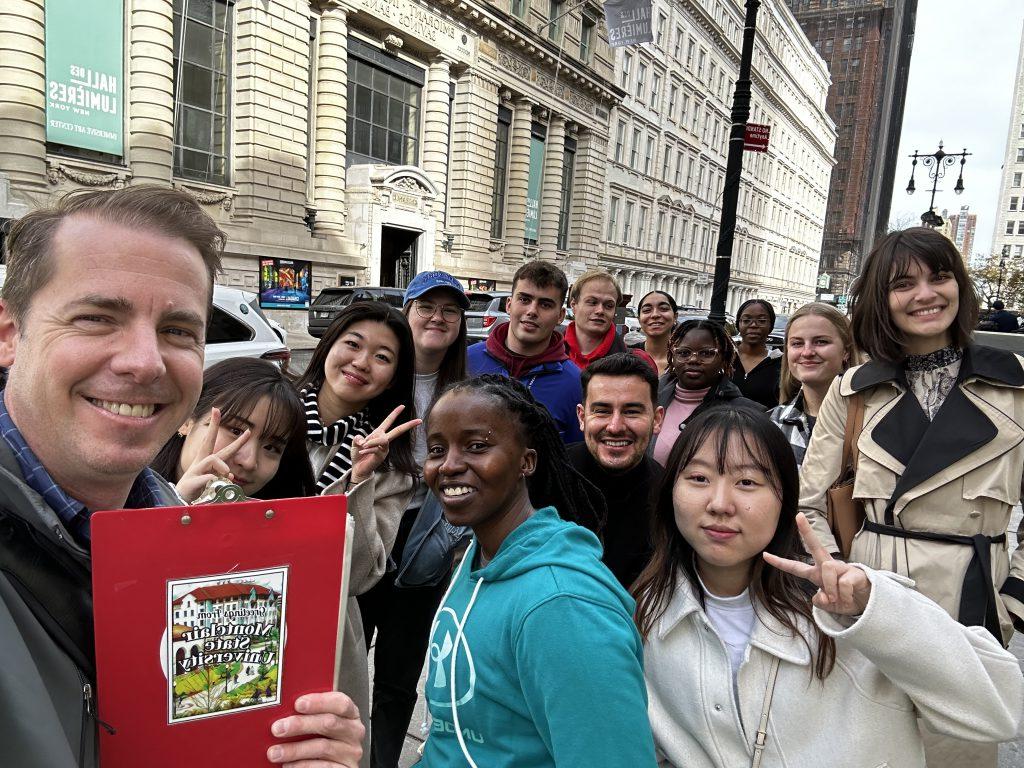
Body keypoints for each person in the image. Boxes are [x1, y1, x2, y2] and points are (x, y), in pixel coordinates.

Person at [0, 186, 363, 768]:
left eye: (178, 331)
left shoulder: (182, 542)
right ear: (9, 333)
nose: (144, 362)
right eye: (96, 318)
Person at [635, 407, 1023, 768]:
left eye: (747, 482)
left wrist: (877, 612)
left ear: (786, 499)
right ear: (671, 491)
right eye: (699, 478)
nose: (720, 503)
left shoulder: (852, 610)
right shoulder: (644, 617)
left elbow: (1001, 710)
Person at [798, 227, 1024, 768]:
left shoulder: (1013, 387)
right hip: (872, 597)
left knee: (956, 752)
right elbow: (810, 502)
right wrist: (837, 575)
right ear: (882, 298)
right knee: (864, 748)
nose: (925, 294)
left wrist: (1013, 598)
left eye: (939, 276)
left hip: (968, 603)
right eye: (904, 283)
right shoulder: (854, 388)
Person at [417, 375, 656, 767]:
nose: (450, 465)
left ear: (526, 461)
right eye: (437, 449)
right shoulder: (480, 555)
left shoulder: (563, 604)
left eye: (476, 447)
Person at [293, 300, 421, 767]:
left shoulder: (393, 468)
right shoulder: (270, 415)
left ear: (393, 377)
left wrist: (360, 480)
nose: (362, 363)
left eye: (383, 357)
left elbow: (363, 575)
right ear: (329, 345)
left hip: (325, 628)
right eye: (353, 344)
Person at [357, 271, 468, 768]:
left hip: (429, 532)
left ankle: (382, 759)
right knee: (345, 652)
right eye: (426, 306)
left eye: (449, 309)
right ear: (408, 312)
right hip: (368, 524)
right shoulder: (378, 377)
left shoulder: (465, 387)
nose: (437, 317)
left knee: (400, 669)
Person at [151, 357, 316, 500]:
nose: (249, 462)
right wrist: (177, 503)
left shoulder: (284, 527)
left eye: (271, 447)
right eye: (235, 431)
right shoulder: (129, 493)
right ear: (186, 420)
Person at [570, 353, 665, 589]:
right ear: (582, 417)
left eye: (632, 411)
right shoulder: (542, 480)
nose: (615, 427)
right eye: (601, 410)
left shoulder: (669, 494)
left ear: (657, 419)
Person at [467, 260, 583, 442]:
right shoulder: (467, 360)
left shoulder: (575, 383)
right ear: (508, 304)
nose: (532, 311)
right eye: (524, 299)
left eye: (545, 304)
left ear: (560, 315)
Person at [651, 319, 759, 466]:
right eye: (684, 353)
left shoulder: (746, 413)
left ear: (723, 358)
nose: (693, 359)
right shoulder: (651, 399)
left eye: (706, 353)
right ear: (672, 356)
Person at [768, 303, 856, 466]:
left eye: (821, 342)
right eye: (797, 343)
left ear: (846, 351)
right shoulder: (771, 424)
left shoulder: (873, 420)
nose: (807, 352)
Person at [564, 269, 629, 369]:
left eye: (609, 305)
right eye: (592, 302)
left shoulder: (630, 363)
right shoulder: (548, 351)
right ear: (574, 305)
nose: (600, 310)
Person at [731, 298, 782, 409]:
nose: (753, 325)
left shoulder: (781, 364)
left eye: (762, 321)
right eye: (746, 320)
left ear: (771, 326)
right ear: (738, 324)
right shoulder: (724, 358)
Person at [631, 289, 678, 375]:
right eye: (647, 310)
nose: (655, 315)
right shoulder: (628, 356)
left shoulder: (687, 358)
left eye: (663, 309)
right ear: (639, 320)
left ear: (675, 317)